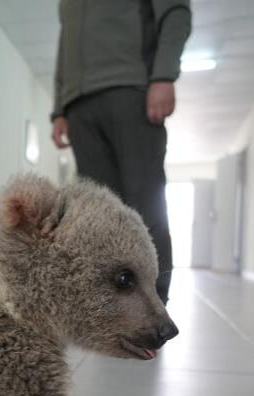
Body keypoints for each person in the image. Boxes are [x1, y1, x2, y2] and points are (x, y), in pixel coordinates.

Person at [50, 0, 191, 303]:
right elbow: (65, 45)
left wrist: (164, 75)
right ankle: (111, 303)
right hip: (78, 104)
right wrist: (58, 108)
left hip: (130, 89)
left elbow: (175, 11)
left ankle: (155, 304)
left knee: (145, 203)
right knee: (98, 216)